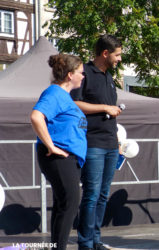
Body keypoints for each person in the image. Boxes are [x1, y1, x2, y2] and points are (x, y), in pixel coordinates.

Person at [70, 34, 123, 250]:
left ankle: (96, 239)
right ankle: (85, 242)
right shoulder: (85, 73)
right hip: (93, 143)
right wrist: (104, 108)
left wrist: (118, 140)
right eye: (117, 55)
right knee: (91, 195)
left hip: (111, 144)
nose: (119, 59)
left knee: (102, 195)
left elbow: (110, 113)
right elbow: (75, 104)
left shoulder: (109, 77)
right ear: (105, 53)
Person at [31, 54, 86, 250]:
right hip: (58, 156)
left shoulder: (65, 97)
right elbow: (36, 117)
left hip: (68, 158)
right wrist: (51, 146)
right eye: (81, 73)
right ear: (70, 75)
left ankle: (56, 247)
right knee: (70, 203)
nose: (83, 76)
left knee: (64, 204)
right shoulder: (54, 93)